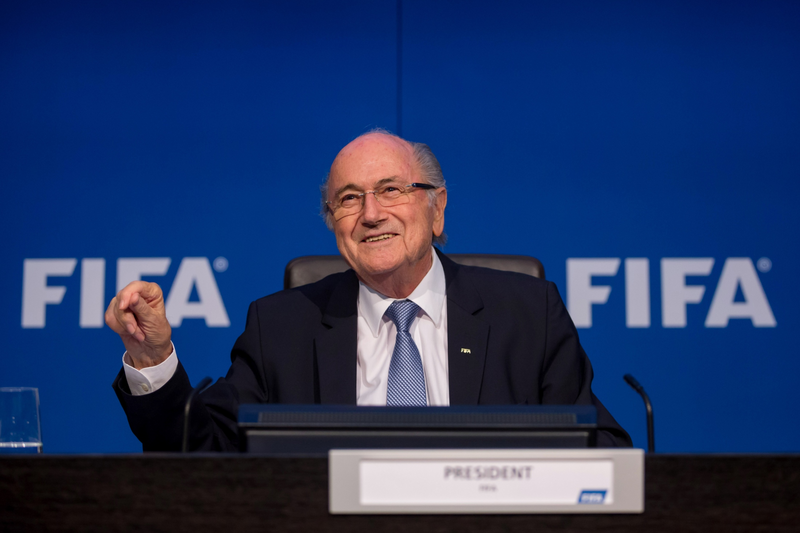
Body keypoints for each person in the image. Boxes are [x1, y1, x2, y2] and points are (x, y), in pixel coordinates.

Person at [107, 130, 631, 451]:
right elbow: (202, 449)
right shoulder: (282, 327)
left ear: (437, 208)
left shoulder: (528, 313)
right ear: (333, 223)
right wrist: (154, 359)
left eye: (391, 190)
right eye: (349, 199)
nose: (372, 214)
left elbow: (601, 448)